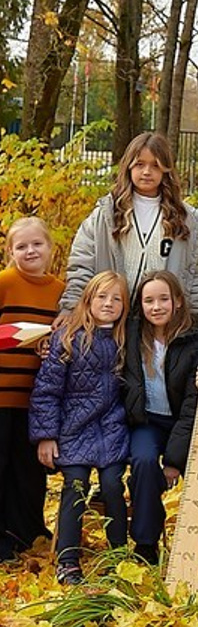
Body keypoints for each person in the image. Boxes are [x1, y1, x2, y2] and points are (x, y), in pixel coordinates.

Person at [29, 271, 131, 583]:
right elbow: (47, 391)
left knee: (113, 484)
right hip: (73, 428)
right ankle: (68, 559)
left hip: (112, 428)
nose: (109, 303)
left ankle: (118, 554)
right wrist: (46, 436)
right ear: (87, 300)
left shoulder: (125, 338)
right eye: (102, 296)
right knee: (76, 486)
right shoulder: (67, 338)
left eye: (116, 299)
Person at [122, 271, 198, 564]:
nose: (157, 307)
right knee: (142, 462)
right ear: (140, 305)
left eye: (163, 299)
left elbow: (193, 404)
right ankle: (145, 542)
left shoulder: (195, 341)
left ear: (177, 301)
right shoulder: (130, 336)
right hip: (148, 422)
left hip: (185, 421)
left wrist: (175, 461)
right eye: (149, 300)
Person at [61, 132, 198, 314]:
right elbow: (81, 266)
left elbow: (197, 276)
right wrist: (70, 309)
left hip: (162, 323)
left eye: (155, 165)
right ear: (129, 167)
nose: (147, 172)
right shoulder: (105, 214)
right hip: (112, 321)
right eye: (140, 164)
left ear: (166, 170)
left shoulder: (185, 219)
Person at [0, 217, 63, 557]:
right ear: (10, 252)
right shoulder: (5, 282)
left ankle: (27, 531)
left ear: (51, 248)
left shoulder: (59, 290)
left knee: (28, 468)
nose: (30, 251)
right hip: (1, 392)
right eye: (21, 246)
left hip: (35, 397)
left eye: (37, 244)